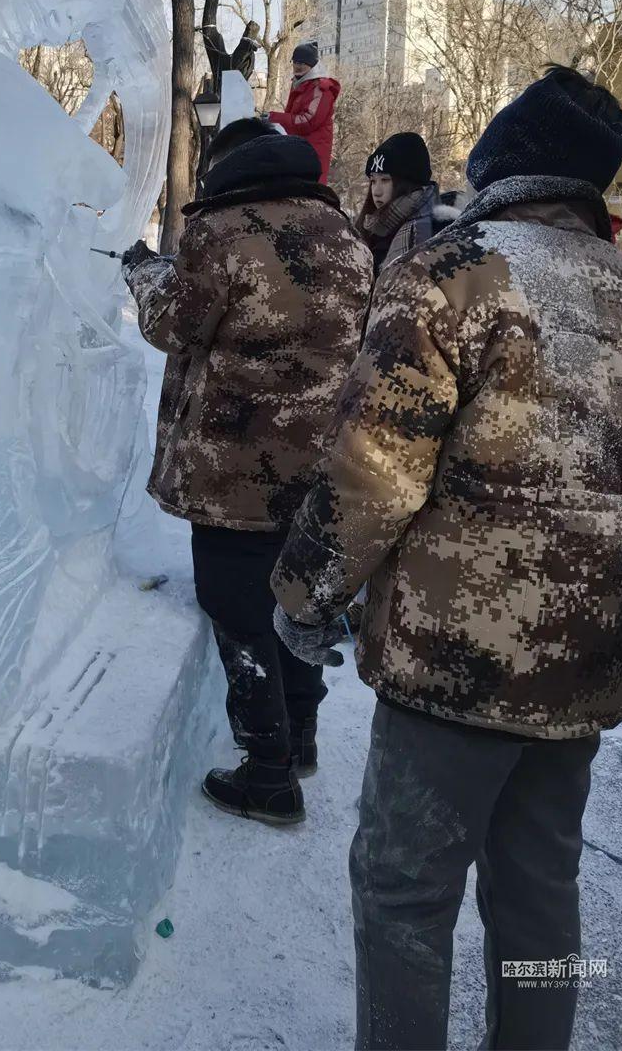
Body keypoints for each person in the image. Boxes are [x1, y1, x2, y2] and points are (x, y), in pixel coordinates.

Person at [271, 65, 622, 1049]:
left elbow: (371, 469)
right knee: (539, 896)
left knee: (406, 891)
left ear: (501, 168)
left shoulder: (454, 275)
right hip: (582, 667)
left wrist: (304, 592)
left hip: (452, 665)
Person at [122, 118, 372, 825]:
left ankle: (267, 772)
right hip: (319, 463)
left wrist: (144, 272)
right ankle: (301, 740)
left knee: (237, 609)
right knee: (294, 600)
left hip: (237, 466)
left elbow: (173, 326)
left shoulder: (221, 232)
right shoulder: (344, 235)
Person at [355, 131, 453, 275]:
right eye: (373, 181)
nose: (376, 191)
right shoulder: (372, 228)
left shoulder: (436, 230)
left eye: (385, 180)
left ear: (407, 183)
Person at [267, 40, 341, 184]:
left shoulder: (321, 88)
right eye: (295, 61)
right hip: (301, 152)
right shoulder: (300, 85)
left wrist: (274, 118)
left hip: (312, 155)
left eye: (303, 62)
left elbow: (307, 121)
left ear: (312, 64)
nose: (298, 66)